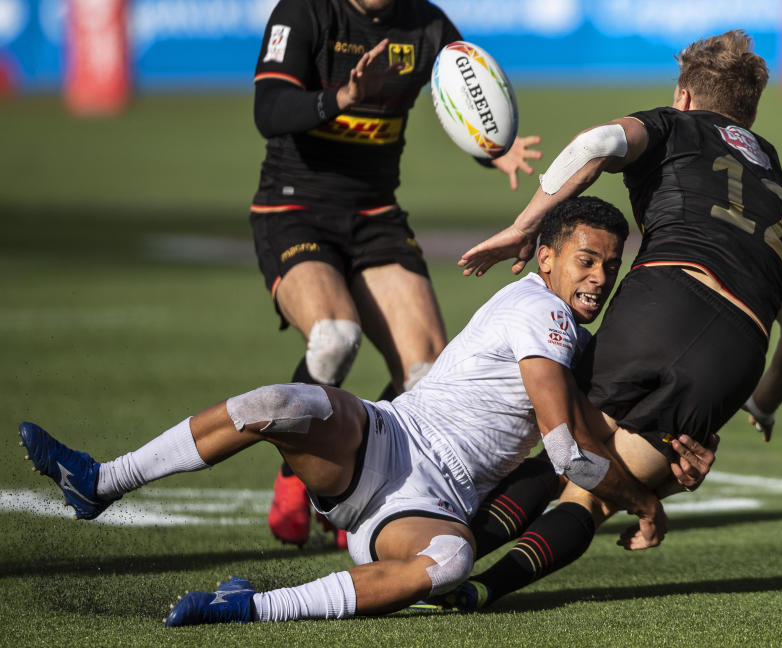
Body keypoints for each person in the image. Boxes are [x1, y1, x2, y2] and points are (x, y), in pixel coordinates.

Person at [19, 198, 713, 626]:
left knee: (447, 562)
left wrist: (653, 486)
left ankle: (247, 606)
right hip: (388, 436)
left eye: (610, 267)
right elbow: (568, 453)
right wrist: (640, 499)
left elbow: (590, 432)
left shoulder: (569, 336)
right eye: (587, 262)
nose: (598, 279)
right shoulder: (544, 314)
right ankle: (101, 480)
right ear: (547, 259)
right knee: (279, 404)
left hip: (424, 505)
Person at [450, 30, 782, 610]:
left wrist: (525, 226)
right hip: (740, 348)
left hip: (665, 298)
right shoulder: (780, 183)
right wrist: (760, 404)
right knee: (592, 499)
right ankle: (478, 592)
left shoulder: (679, 125)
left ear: (686, 96)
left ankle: (435, 565)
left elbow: (598, 141)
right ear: (751, 109)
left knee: (566, 453)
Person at [249, 0, 542, 547]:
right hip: (294, 208)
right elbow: (269, 109)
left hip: (375, 215)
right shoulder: (305, 12)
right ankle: (296, 470)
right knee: (335, 340)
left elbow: (463, 91)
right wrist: (345, 96)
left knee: (428, 373)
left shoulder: (426, 24)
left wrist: (492, 151)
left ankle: (359, 488)